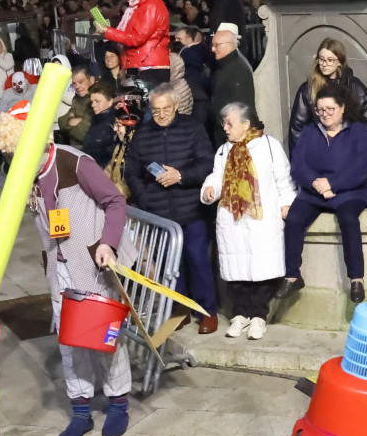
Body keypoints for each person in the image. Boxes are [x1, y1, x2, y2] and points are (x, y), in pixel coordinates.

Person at [0, 105, 136, 436]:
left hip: (95, 263)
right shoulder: (22, 172)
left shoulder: (74, 161)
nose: (14, 160)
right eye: (10, 154)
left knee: (105, 338)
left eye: (18, 152)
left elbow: (114, 201)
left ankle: (118, 404)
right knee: (70, 341)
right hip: (59, 268)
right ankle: (80, 412)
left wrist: (108, 245)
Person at [124, 83, 219, 334]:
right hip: (160, 214)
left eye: (166, 109)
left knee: (198, 260)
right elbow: (131, 173)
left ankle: (207, 311)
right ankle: (180, 311)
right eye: (156, 110)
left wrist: (181, 175)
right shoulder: (142, 135)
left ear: (176, 106)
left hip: (191, 210)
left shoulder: (193, 129)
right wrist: (146, 199)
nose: (162, 114)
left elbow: (207, 164)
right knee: (169, 267)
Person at [201, 102, 296, 339]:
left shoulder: (269, 146)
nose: (225, 127)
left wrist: (287, 204)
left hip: (261, 219)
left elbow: (283, 178)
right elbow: (216, 176)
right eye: (224, 122)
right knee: (236, 269)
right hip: (232, 219)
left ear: (246, 124)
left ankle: (258, 316)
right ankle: (240, 314)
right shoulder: (224, 150)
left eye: (230, 123)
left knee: (262, 269)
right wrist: (210, 189)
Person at [278, 83, 367, 304]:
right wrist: (316, 184)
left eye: (330, 109)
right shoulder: (310, 132)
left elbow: (360, 169)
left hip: (349, 191)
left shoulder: (358, 131)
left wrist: (333, 184)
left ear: (342, 108)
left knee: (349, 219)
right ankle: (292, 276)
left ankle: (356, 279)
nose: (325, 115)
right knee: (293, 219)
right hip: (314, 192)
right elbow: (298, 166)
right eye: (320, 110)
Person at [287, 38, 367, 155]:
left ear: (339, 61)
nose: (325, 64)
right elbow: (297, 131)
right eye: (321, 59)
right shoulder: (307, 90)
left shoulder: (354, 87)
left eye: (330, 60)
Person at [95, 0, 170, 97]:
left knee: (144, 112)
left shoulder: (150, 6)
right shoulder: (142, 5)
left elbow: (136, 38)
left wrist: (108, 32)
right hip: (144, 64)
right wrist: (110, 34)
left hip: (148, 67)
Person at [209, 23, 255, 142]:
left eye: (216, 45)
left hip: (232, 134)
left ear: (230, 45)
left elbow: (240, 104)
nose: (213, 49)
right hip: (225, 130)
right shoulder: (224, 65)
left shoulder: (238, 69)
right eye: (213, 45)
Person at [82, 78, 118, 168]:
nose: (93, 105)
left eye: (97, 101)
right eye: (92, 102)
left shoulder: (114, 122)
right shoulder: (97, 119)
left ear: (110, 102)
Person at [57, 66, 96, 148]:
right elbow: (61, 121)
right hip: (75, 150)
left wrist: (70, 122)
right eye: (74, 83)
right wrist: (75, 121)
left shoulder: (97, 99)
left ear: (92, 80)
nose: (77, 87)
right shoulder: (77, 99)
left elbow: (87, 134)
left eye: (81, 82)